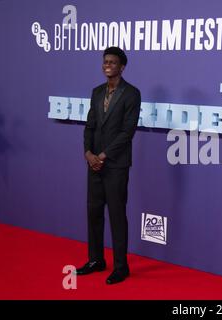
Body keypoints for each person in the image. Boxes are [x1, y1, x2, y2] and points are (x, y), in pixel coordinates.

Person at [76, 46, 141, 284]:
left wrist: (103, 155)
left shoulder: (132, 94)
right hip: (94, 163)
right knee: (93, 212)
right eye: (105, 61)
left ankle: (121, 267)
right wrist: (88, 153)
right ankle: (96, 260)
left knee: (116, 215)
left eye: (112, 62)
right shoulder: (96, 92)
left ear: (122, 67)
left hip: (115, 165)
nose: (107, 65)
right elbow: (90, 126)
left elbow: (127, 132)